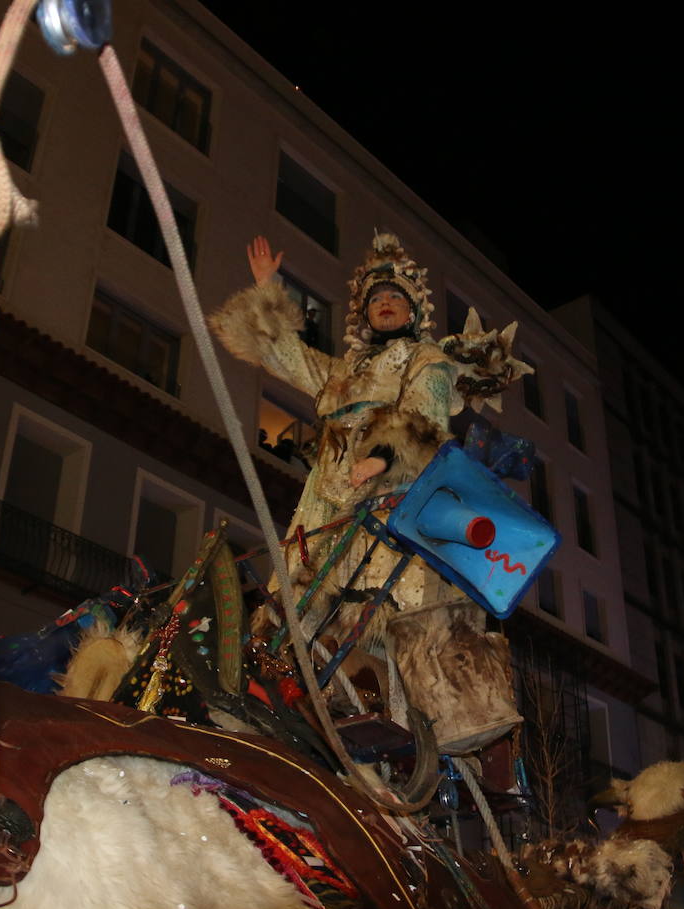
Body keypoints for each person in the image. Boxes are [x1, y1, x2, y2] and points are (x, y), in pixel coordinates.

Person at [210, 232, 525, 754]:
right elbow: (283, 355)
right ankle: (282, 697)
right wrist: (268, 287)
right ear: (363, 314)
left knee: (395, 609)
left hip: (394, 497)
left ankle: (406, 729)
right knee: (296, 597)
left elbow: (424, 417)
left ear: (411, 312)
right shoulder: (342, 373)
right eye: (376, 299)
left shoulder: (426, 360)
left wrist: (383, 457)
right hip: (326, 502)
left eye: (395, 298)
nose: (385, 304)